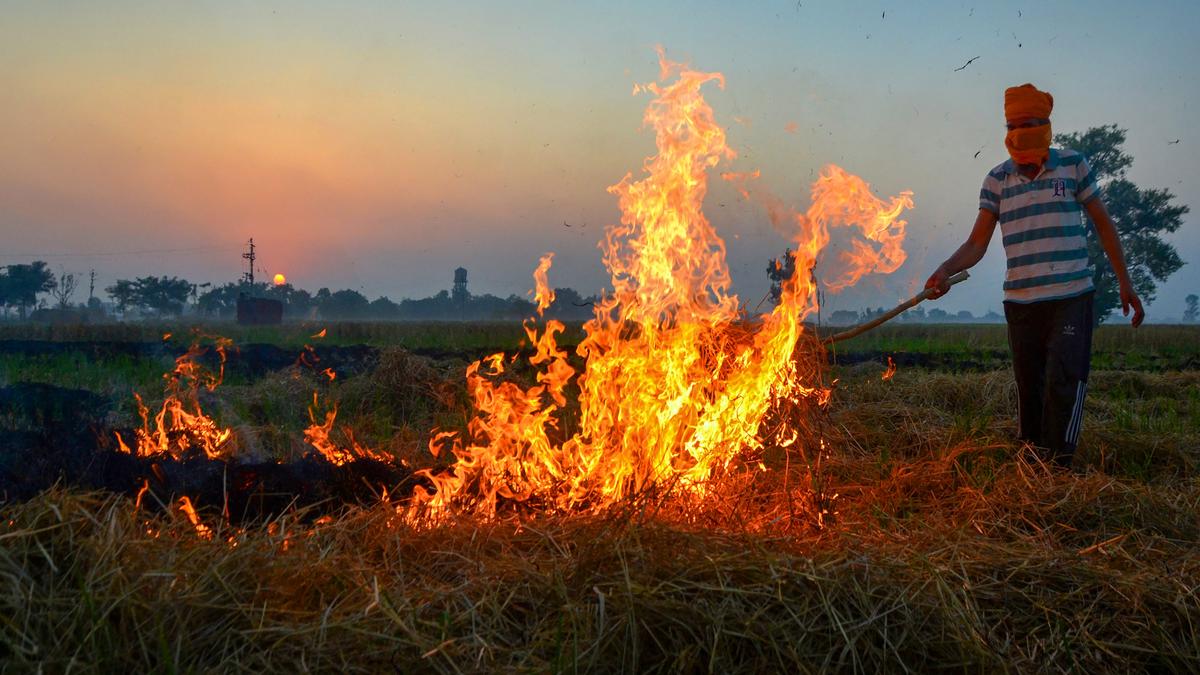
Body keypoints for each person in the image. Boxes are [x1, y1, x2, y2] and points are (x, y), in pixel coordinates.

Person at [924, 83, 1144, 467]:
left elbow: (1104, 224)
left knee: (1063, 379)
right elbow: (977, 244)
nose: (1020, 132)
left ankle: (1059, 465)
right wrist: (944, 270)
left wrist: (1125, 280)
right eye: (1014, 124)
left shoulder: (1073, 164)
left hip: (1071, 297)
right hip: (1021, 302)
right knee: (1031, 387)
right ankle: (1032, 461)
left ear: (1046, 126)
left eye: (1030, 123)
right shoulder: (997, 180)